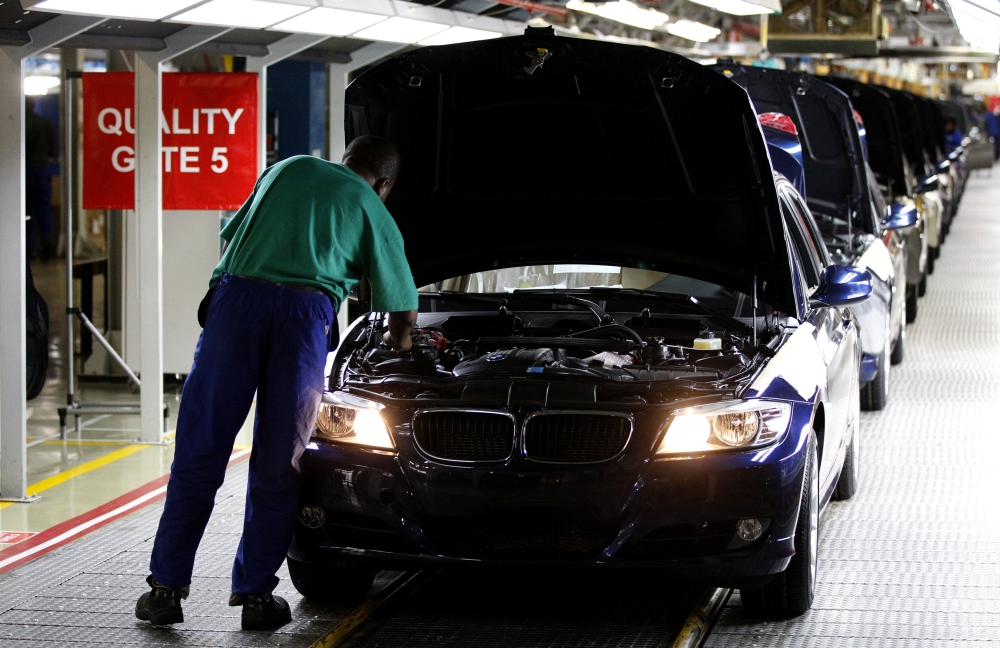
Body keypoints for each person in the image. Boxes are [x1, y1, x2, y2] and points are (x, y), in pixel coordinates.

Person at [135, 136, 419, 631]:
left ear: (346, 158)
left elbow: (233, 234)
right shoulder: (369, 203)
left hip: (235, 305)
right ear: (385, 183)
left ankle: (164, 590)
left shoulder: (288, 168)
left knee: (201, 449)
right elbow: (401, 300)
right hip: (302, 317)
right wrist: (402, 343)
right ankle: (255, 597)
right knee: (279, 458)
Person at [25, 96, 57, 261]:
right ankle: (47, 246)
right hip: (41, 171)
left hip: (24, 173)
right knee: (44, 211)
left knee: (26, 212)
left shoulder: (18, 124)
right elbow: (53, 149)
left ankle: (28, 249)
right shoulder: (46, 123)